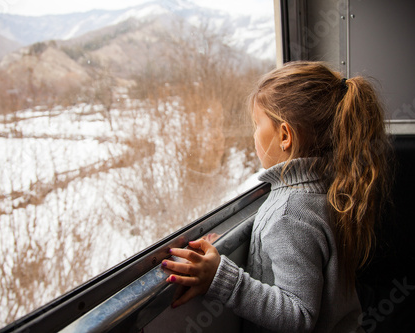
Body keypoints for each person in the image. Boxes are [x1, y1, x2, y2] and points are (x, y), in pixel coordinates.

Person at [161, 61, 391, 332]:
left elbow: (299, 315)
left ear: (285, 135)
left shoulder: (290, 212)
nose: (254, 134)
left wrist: (220, 279)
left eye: (258, 124)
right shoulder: (326, 188)